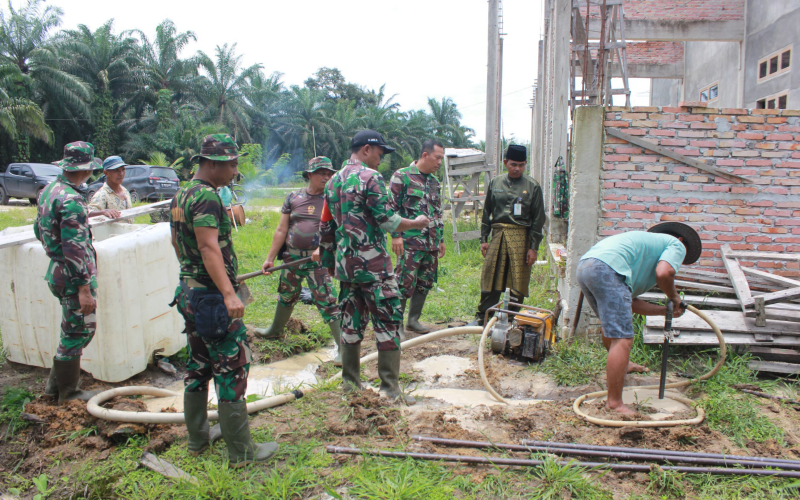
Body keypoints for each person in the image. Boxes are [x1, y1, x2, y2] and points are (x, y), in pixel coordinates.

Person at [169, 133, 277, 467]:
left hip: (190, 292)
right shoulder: (207, 198)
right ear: (213, 164)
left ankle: (198, 439)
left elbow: (176, 242)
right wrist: (228, 293)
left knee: (198, 365)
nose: (235, 170)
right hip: (213, 299)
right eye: (231, 164)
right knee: (231, 367)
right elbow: (207, 246)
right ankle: (242, 453)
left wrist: (194, 280)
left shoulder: (182, 194)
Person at [313, 130, 429, 404]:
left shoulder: (333, 181)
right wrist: (416, 223)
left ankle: (350, 387)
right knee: (388, 322)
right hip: (374, 267)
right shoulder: (370, 177)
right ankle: (390, 390)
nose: (381, 159)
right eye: (380, 153)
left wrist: (330, 261)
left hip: (347, 268)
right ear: (366, 149)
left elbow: (325, 226)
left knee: (351, 324)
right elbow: (388, 221)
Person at [577, 222, 702, 415]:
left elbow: (630, 303)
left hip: (587, 265)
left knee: (611, 327)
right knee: (623, 338)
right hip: (605, 268)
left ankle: (623, 366)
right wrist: (674, 297)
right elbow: (664, 273)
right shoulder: (675, 244)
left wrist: (664, 311)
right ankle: (615, 403)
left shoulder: (642, 251)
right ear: (681, 240)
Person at [35, 142, 121, 405]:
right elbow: (74, 249)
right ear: (86, 170)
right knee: (79, 331)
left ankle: (53, 389)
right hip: (73, 277)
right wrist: (83, 288)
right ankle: (69, 393)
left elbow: (39, 230)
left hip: (58, 271)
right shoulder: (71, 199)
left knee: (72, 330)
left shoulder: (50, 191)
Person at [255, 157, 343, 366]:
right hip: (291, 259)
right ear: (309, 175)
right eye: (321, 172)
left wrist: (322, 248)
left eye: (329, 173)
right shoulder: (293, 197)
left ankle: (343, 347)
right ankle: (274, 331)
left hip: (318, 262)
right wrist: (269, 259)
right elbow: (281, 229)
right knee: (287, 293)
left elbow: (339, 230)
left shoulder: (332, 199)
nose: (326, 177)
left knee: (328, 301)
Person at [473, 144, 545, 325]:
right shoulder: (495, 183)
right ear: (505, 163)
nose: (517, 168)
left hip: (521, 237)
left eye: (521, 165)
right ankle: (483, 317)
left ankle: (511, 318)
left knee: (518, 282)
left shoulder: (533, 186)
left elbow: (538, 219)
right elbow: (487, 212)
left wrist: (533, 248)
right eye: (513, 164)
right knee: (490, 276)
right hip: (497, 236)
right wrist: (484, 238)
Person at [389, 140, 446, 336]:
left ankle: (413, 320)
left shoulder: (434, 182)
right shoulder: (402, 176)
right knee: (404, 282)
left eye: (442, 159)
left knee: (425, 281)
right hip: (409, 242)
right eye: (437, 158)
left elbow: (437, 211)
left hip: (430, 242)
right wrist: (396, 236)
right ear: (424, 155)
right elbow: (391, 208)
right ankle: (397, 325)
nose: (440, 162)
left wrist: (441, 239)